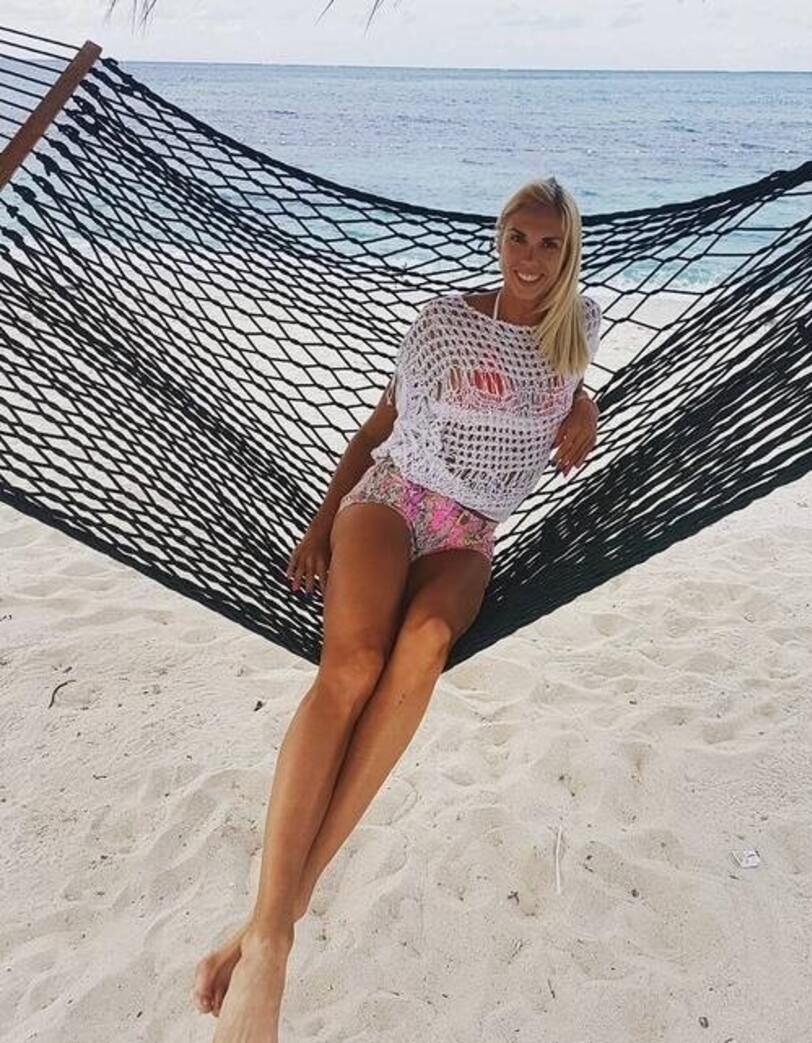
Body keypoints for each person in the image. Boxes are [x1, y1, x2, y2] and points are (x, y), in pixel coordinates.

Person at [191, 176, 602, 1042]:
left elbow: (568, 394)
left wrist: (588, 408)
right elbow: (378, 428)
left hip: (470, 530)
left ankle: (270, 921)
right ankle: (275, 941)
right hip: (392, 498)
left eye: (548, 243)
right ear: (499, 238)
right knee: (353, 666)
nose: (530, 258)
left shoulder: (579, 332)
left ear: (569, 251)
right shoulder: (443, 322)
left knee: (425, 642)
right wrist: (318, 526)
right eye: (518, 238)